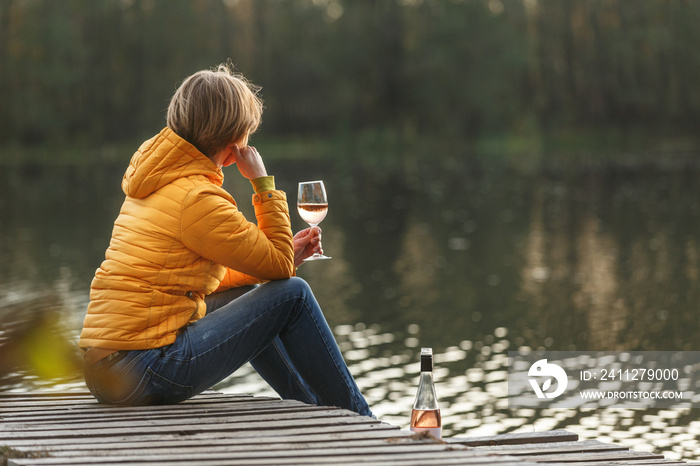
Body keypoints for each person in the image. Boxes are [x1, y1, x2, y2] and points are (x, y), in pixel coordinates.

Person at [78, 64, 373, 418]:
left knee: (247, 296)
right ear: (234, 140)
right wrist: (262, 182)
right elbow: (279, 268)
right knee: (294, 295)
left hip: (106, 370)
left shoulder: (156, 181)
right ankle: (362, 419)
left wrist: (282, 259)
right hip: (143, 370)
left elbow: (212, 278)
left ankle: (312, 409)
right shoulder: (197, 198)